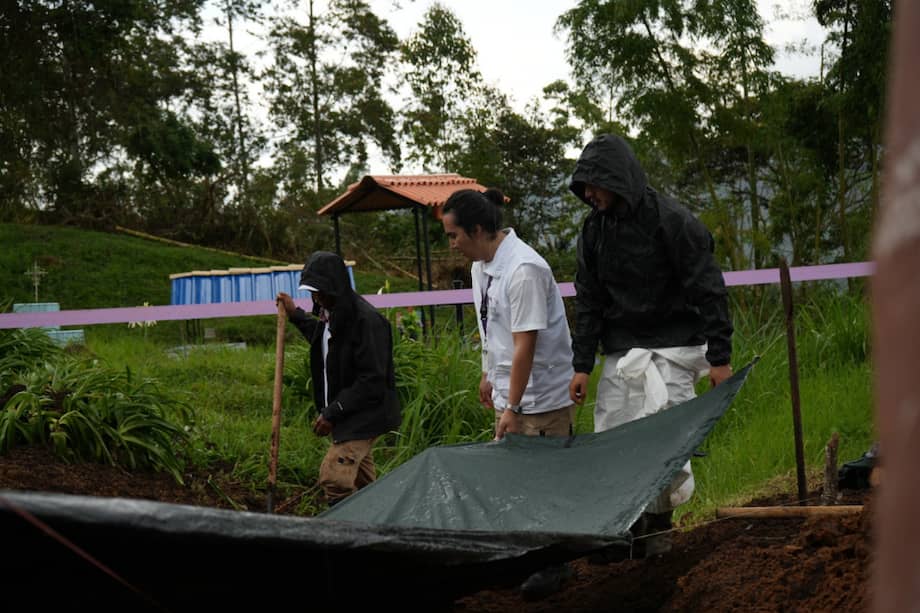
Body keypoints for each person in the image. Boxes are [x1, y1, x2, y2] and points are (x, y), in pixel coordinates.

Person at [567, 133, 734, 558]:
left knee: (666, 444)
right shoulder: (594, 230)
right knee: (615, 440)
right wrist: (582, 365)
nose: (589, 194)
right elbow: (589, 300)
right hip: (622, 353)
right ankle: (627, 526)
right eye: (583, 187)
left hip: (673, 349)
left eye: (594, 185)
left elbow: (708, 289)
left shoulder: (673, 222)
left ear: (616, 179)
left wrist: (720, 358)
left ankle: (659, 525)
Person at [441, 187, 576, 599]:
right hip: (510, 393)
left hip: (540, 398)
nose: (452, 244)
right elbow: (491, 327)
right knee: (516, 479)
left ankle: (555, 564)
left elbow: (525, 345)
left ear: (477, 229)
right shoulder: (482, 266)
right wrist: (488, 374)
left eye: (453, 235)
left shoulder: (524, 269)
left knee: (545, 481)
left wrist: (513, 406)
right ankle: (525, 559)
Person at [277, 251, 401, 507]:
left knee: (334, 478)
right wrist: (295, 314)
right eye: (312, 292)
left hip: (366, 414)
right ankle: (380, 519)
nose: (316, 298)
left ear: (335, 286)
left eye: (320, 291)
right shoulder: (331, 314)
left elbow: (372, 380)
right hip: (349, 414)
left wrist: (333, 412)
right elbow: (321, 339)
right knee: (365, 487)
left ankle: (346, 525)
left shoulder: (366, 321)